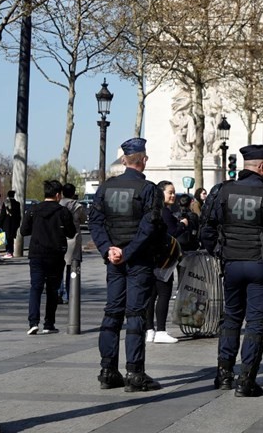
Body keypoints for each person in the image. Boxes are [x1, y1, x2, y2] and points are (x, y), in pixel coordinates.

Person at [200, 144, 263, 397]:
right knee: (256, 323)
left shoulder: (220, 191)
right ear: (262, 167)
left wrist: (220, 253)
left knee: (231, 318)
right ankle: (246, 380)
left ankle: (223, 375)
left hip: (230, 265)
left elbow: (206, 231)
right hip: (260, 266)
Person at [88, 137, 168, 393]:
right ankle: (135, 372)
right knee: (135, 315)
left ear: (124, 160)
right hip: (138, 261)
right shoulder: (149, 190)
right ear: (143, 160)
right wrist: (128, 252)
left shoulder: (105, 188)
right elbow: (149, 228)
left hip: (114, 259)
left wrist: (108, 250)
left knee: (112, 312)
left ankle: (108, 370)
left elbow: (96, 222)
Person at [20, 180, 77, 336]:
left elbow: (24, 231)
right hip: (55, 254)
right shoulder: (63, 212)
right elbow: (71, 233)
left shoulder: (33, 210)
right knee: (53, 289)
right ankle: (49, 323)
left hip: (37, 254)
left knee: (35, 288)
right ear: (58, 195)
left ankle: (33, 322)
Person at [145, 180, 187, 344]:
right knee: (163, 294)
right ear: (161, 193)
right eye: (170, 192)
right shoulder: (165, 212)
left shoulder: (152, 210)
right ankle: (161, 330)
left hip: (151, 258)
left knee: (151, 295)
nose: (173, 195)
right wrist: (183, 225)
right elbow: (172, 232)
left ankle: (149, 330)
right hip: (163, 259)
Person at [58, 183, 86, 304]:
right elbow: (83, 219)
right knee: (72, 269)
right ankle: (69, 295)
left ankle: (58, 293)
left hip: (59, 238)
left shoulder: (58, 204)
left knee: (58, 268)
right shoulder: (78, 206)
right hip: (74, 238)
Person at [1, 190, 22, 259]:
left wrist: (0, 223)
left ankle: (8, 252)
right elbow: (19, 215)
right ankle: (11, 252)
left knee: (6, 239)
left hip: (6, 224)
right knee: (11, 238)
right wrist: (18, 224)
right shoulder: (17, 204)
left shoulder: (5, 203)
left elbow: (3, 214)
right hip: (14, 224)